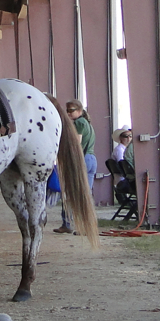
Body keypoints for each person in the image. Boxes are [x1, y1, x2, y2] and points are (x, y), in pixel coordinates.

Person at [54, 100, 96, 234]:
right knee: (86, 195)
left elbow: (76, 144)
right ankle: (86, 226)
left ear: (79, 110)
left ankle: (68, 223)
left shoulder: (79, 123)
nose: (68, 113)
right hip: (91, 159)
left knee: (70, 193)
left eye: (71, 110)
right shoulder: (87, 124)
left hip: (81, 159)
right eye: (67, 110)